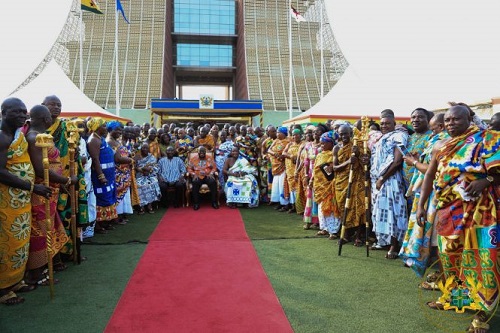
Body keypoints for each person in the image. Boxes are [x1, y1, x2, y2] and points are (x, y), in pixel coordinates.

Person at [417, 105, 500, 333]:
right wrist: (422, 205)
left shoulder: (488, 139)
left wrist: (486, 180)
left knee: (483, 258)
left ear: (469, 119)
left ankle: (483, 312)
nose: (451, 123)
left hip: (481, 209)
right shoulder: (440, 145)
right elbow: (430, 175)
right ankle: (458, 299)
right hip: (448, 209)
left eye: (456, 119)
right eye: (448, 120)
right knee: (450, 257)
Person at [0, 98, 51, 305]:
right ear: (3, 112)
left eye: (24, 112)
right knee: (8, 243)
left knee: (21, 242)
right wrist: (32, 187)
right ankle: (3, 289)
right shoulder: (2, 137)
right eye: (17, 112)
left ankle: (15, 280)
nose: (23, 115)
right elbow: (1, 172)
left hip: (21, 200)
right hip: (7, 200)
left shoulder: (17, 135)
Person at [25, 105, 75, 285]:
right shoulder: (34, 138)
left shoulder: (40, 136)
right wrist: (66, 181)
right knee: (40, 232)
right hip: (41, 192)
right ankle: (35, 274)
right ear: (46, 119)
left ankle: (44, 269)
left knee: (48, 229)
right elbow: (41, 170)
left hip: (50, 190)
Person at [399, 113, 448, 278]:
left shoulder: (443, 142)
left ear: (441, 127)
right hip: (430, 194)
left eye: (433, 129)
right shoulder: (437, 140)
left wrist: (414, 163)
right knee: (436, 239)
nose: (432, 133)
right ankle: (442, 275)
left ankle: (444, 278)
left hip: (437, 196)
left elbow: (431, 171)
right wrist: (419, 159)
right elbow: (429, 166)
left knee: (438, 240)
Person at [43, 95, 87, 260]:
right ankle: (54, 257)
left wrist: (69, 179)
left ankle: (69, 252)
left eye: (58, 105)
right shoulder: (37, 130)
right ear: (43, 106)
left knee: (69, 216)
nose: (56, 107)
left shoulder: (67, 127)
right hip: (48, 182)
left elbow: (74, 155)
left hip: (69, 180)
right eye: (52, 104)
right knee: (51, 221)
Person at [370, 109, 408, 259]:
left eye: (387, 123)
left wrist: (383, 178)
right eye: (382, 123)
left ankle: (394, 246)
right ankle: (384, 241)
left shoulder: (399, 136)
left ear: (394, 122)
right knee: (381, 212)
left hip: (391, 180)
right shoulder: (381, 138)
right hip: (379, 180)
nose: (384, 126)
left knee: (394, 213)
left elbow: (397, 161)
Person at [332, 124, 365, 245]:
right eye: (341, 134)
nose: (343, 136)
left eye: (345, 133)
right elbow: (335, 167)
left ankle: (359, 235)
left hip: (356, 180)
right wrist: (348, 162)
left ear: (351, 133)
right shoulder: (336, 148)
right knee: (343, 207)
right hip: (341, 183)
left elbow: (365, 163)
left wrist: (358, 154)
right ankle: (345, 235)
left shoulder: (357, 145)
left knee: (358, 206)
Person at [87, 118, 118, 232]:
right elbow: (95, 159)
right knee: (101, 198)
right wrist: (101, 176)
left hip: (109, 174)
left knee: (108, 196)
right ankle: (98, 224)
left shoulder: (101, 139)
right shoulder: (94, 140)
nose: (106, 128)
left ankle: (105, 221)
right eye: (103, 126)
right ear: (96, 127)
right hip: (101, 175)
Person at [311, 132, 340, 239]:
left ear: (331, 143)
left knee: (330, 208)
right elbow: (315, 169)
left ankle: (333, 231)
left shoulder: (335, 154)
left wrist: (332, 166)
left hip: (330, 186)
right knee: (321, 208)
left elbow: (336, 168)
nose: (321, 145)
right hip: (319, 186)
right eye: (321, 143)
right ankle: (324, 228)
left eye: (324, 143)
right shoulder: (319, 155)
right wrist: (311, 180)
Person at [106, 121, 134, 224]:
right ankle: (116, 217)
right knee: (118, 196)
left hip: (123, 172)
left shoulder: (115, 140)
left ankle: (120, 215)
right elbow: (117, 159)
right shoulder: (110, 142)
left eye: (120, 130)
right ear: (110, 129)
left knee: (122, 196)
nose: (120, 132)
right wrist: (130, 160)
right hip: (117, 172)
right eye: (117, 129)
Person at [187, 146, 218, 210]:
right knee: (195, 183)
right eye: (200, 152)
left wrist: (211, 173)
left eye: (203, 152)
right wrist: (193, 174)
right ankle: (196, 203)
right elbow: (189, 168)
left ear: (205, 152)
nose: (202, 153)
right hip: (197, 176)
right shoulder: (193, 159)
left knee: (213, 182)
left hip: (207, 175)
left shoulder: (210, 158)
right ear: (198, 152)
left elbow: (214, 167)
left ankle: (214, 202)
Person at [267, 126, 290, 211]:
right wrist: (274, 154)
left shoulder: (288, 141)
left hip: (282, 167)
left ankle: (285, 204)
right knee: (276, 185)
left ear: (283, 133)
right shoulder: (276, 141)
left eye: (278, 132)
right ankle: (279, 202)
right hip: (275, 167)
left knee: (282, 185)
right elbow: (269, 150)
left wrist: (280, 156)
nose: (276, 134)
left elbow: (286, 153)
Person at [135, 143, 161, 214]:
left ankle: (150, 206)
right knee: (139, 185)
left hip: (150, 175)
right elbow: (135, 167)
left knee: (152, 183)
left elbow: (155, 167)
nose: (145, 149)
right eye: (143, 148)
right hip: (140, 176)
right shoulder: (137, 157)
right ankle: (141, 207)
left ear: (149, 149)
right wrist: (142, 169)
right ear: (141, 149)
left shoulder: (152, 157)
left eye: (146, 148)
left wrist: (149, 169)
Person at [282, 128, 303, 213]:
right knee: (292, 188)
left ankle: (300, 207)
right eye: (293, 135)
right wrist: (291, 156)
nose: (295, 136)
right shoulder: (290, 144)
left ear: (301, 135)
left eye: (297, 134)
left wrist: (297, 157)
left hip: (299, 169)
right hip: (290, 170)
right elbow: (283, 153)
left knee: (299, 187)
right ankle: (293, 205)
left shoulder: (303, 144)